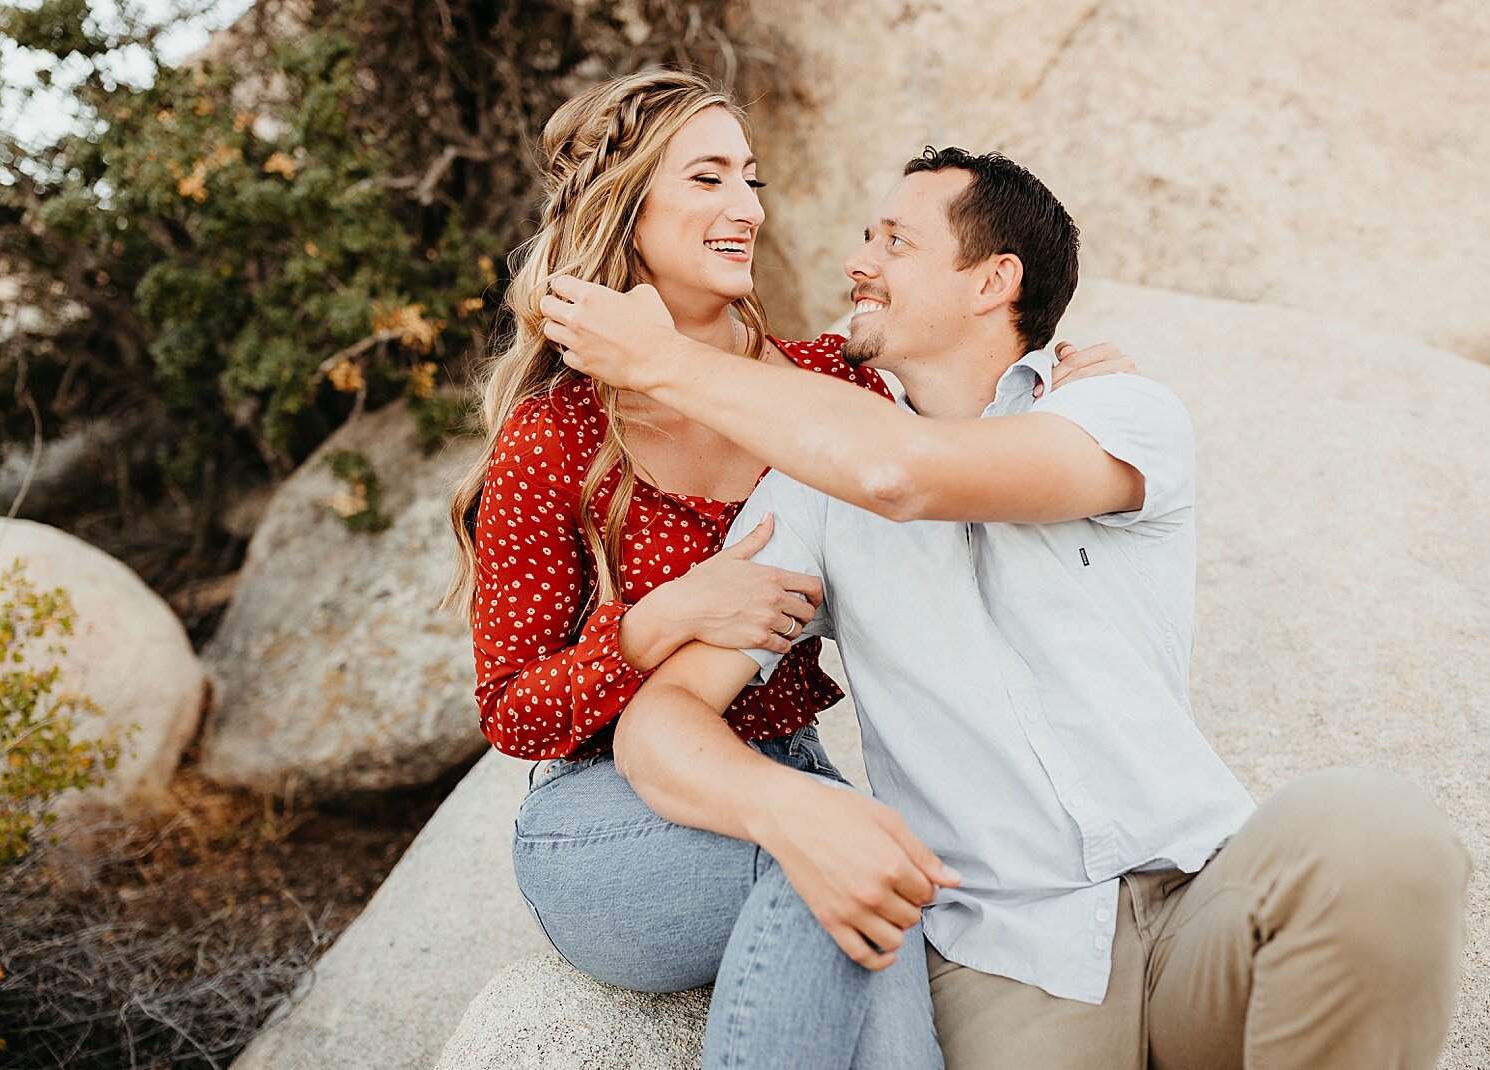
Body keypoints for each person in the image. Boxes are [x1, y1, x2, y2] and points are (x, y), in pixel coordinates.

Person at [540, 145, 1474, 1069]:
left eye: (896, 241)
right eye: (866, 236)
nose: (858, 261)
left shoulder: (1115, 415)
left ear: (994, 280)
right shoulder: (812, 492)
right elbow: (659, 722)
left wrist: (660, 360)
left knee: (1379, 835)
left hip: (1202, 902)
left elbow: (901, 474)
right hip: (1004, 960)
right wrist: (790, 812)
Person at [445, 71, 1131, 1070]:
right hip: (611, 817)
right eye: (710, 178)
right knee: (831, 859)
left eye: (751, 179)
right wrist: (659, 617)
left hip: (792, 767)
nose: (746, 207)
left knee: (866, 875)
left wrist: (1054, 378)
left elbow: (942, 434)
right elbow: (511, 709)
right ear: (629, 208)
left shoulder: (824, 383)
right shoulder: (555, 436)